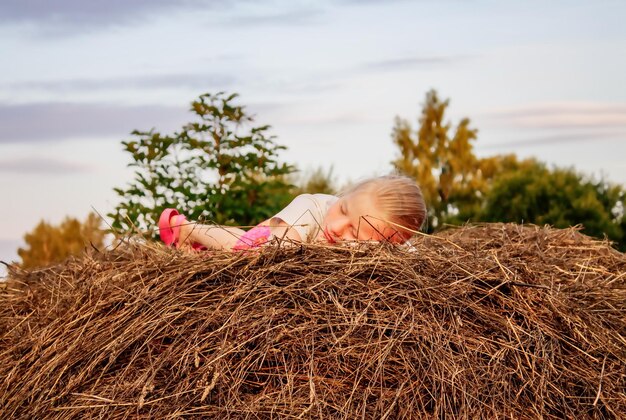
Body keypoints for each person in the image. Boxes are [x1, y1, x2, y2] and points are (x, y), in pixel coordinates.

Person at [158, 175, 427, 251]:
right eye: (343, 209)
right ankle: (185, 226)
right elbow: (281, 255)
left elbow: (411, 255)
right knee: (237, 245)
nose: (337, 227)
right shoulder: (311, 207)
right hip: (273, 239)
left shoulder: (390, 241)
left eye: (354, 232)